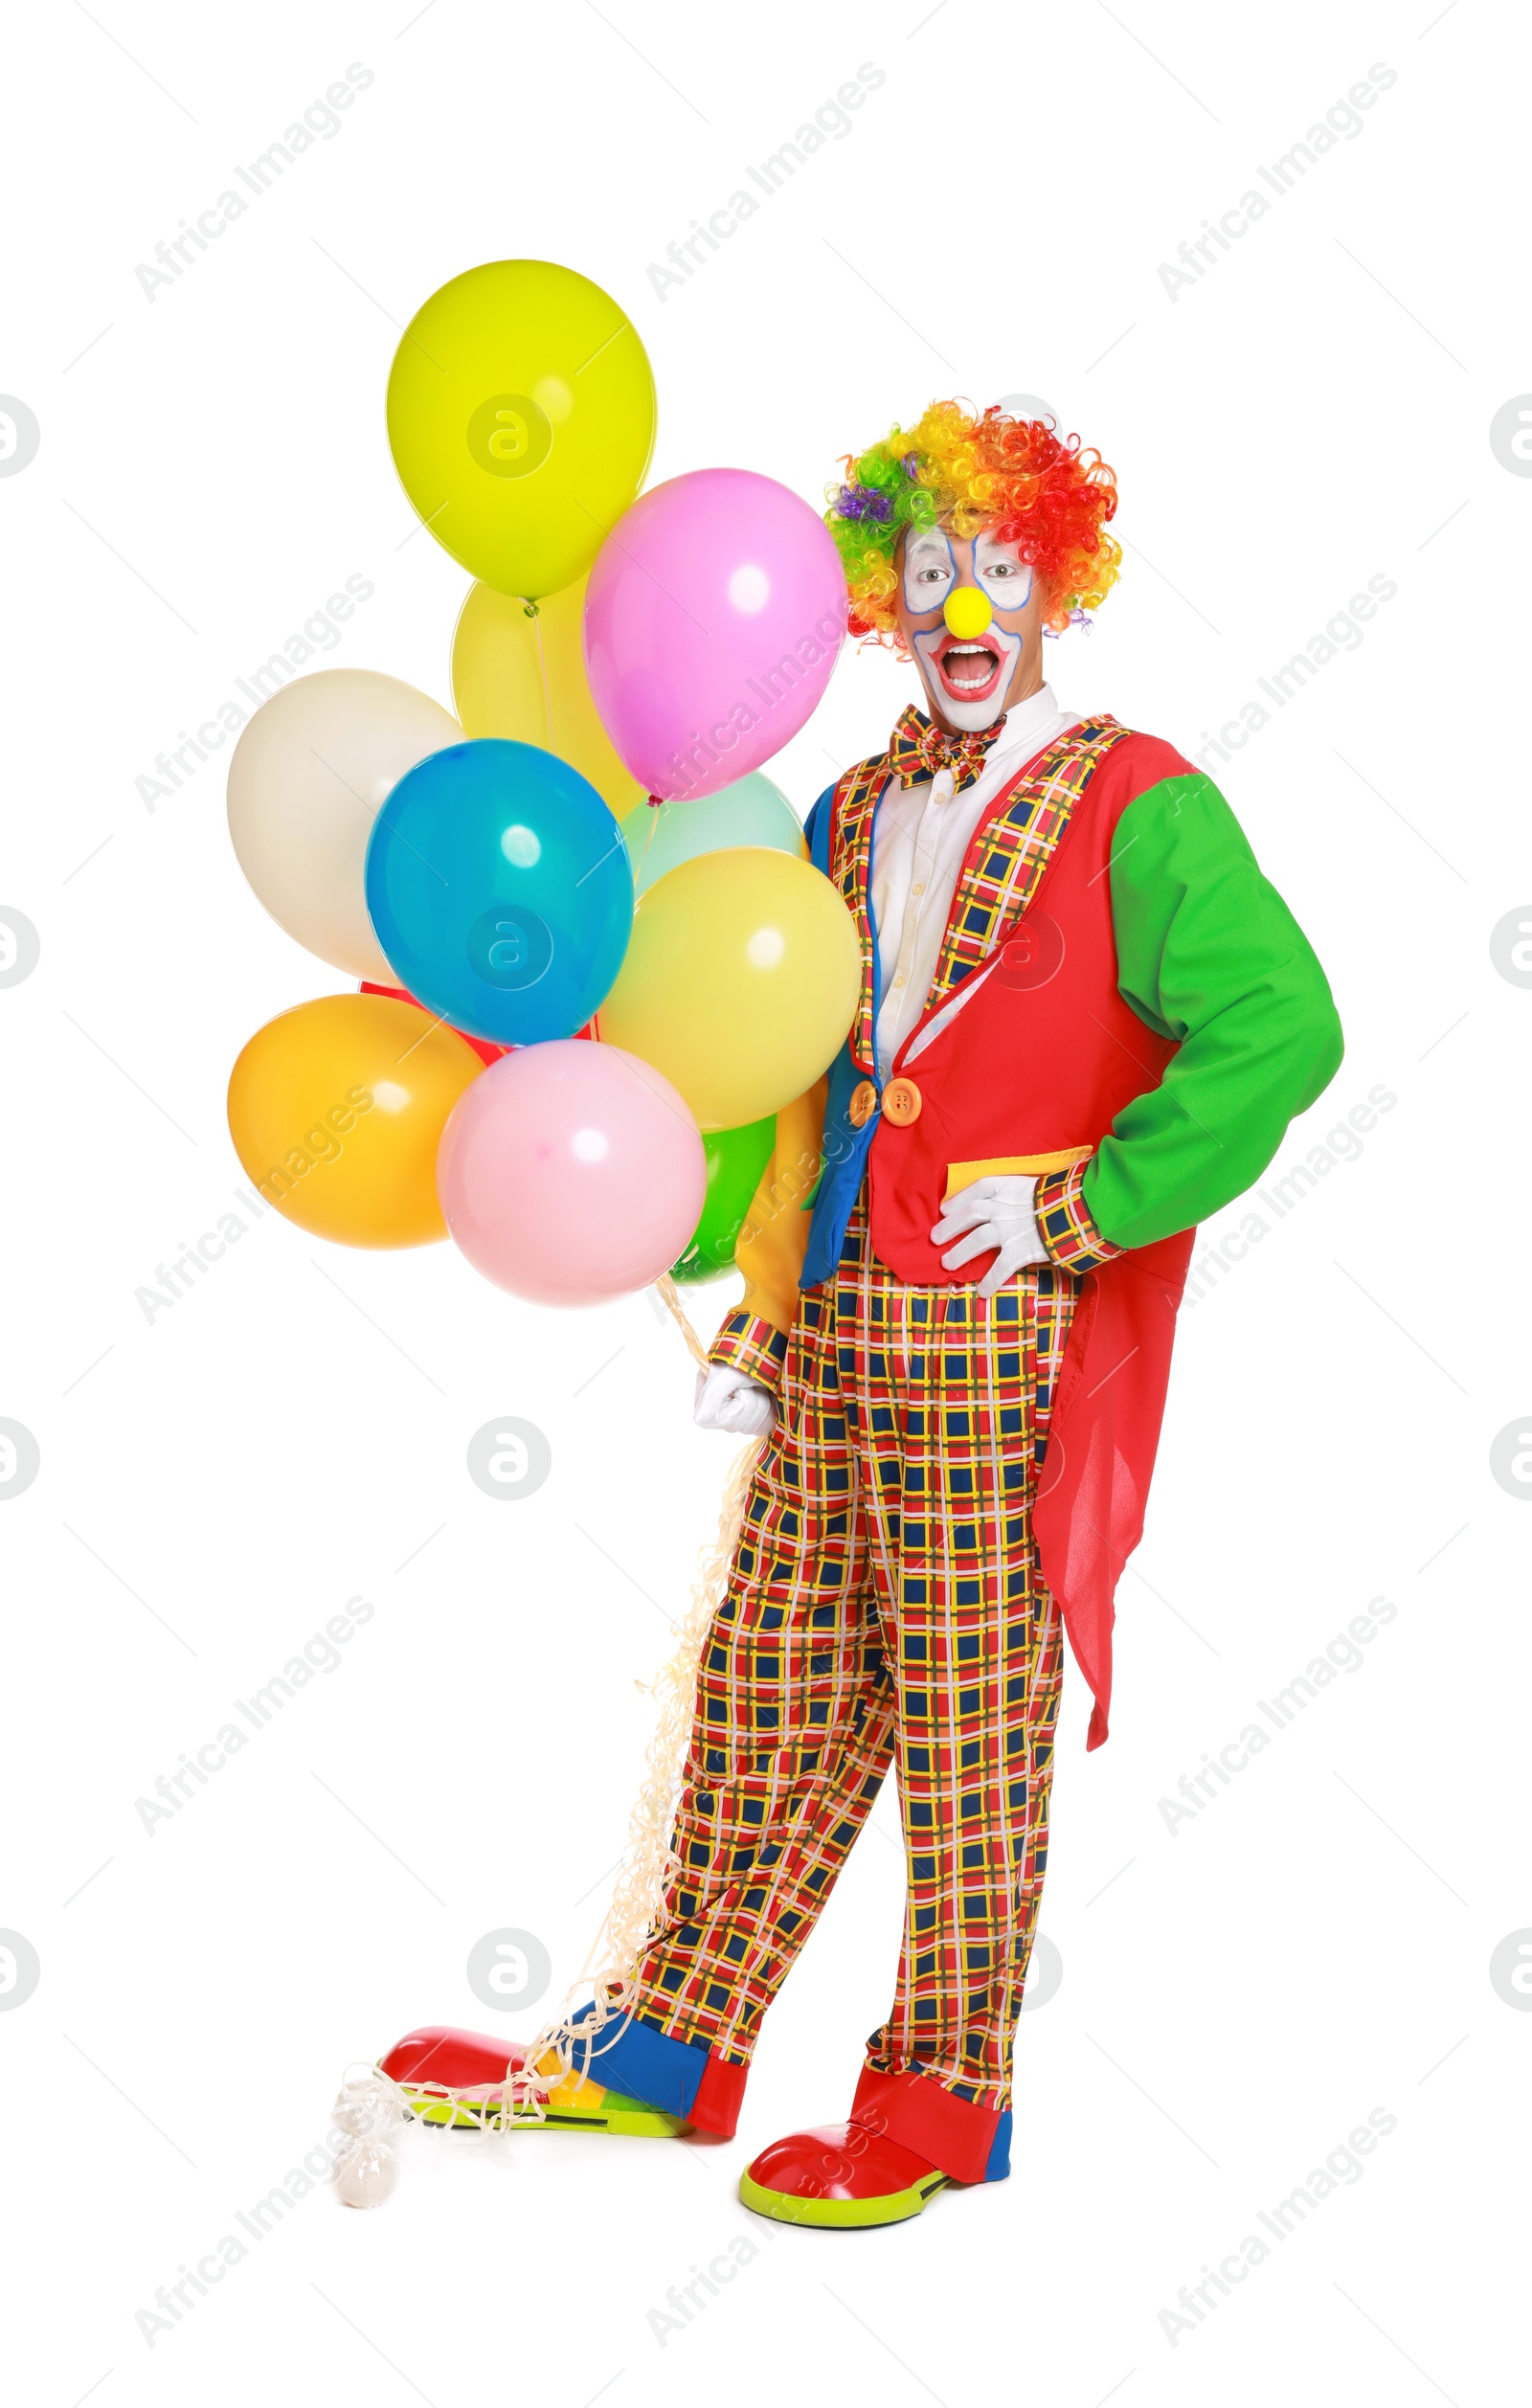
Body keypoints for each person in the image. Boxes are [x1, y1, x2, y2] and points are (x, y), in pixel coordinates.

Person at [382, 400, 1343, 2228]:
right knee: (764, 1684)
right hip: (836, 1331)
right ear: (884, 603)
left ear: (1056, 588)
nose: (964, 607)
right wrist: (761, 1315)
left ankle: (937, 2099)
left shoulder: (1140, 802)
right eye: (929, 572)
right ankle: (667, 2043)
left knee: (969, 1727)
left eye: (999, 569)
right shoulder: (847, 810)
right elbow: (804, 1089)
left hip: (997, 1344)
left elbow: (1285, 1029)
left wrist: (1078, 1205)